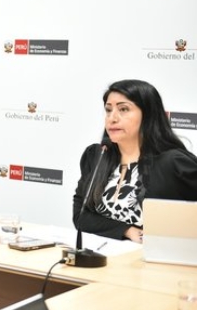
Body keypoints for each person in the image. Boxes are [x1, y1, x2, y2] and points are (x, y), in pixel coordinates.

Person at [73, 79, 197, 243]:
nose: (112, 118)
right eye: (108, 110)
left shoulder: (174, 163)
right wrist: (127, 230)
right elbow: (81, 216)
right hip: (103, 254)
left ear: (147, 115)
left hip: (154, 256)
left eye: (123, 109)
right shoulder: (97, 155)